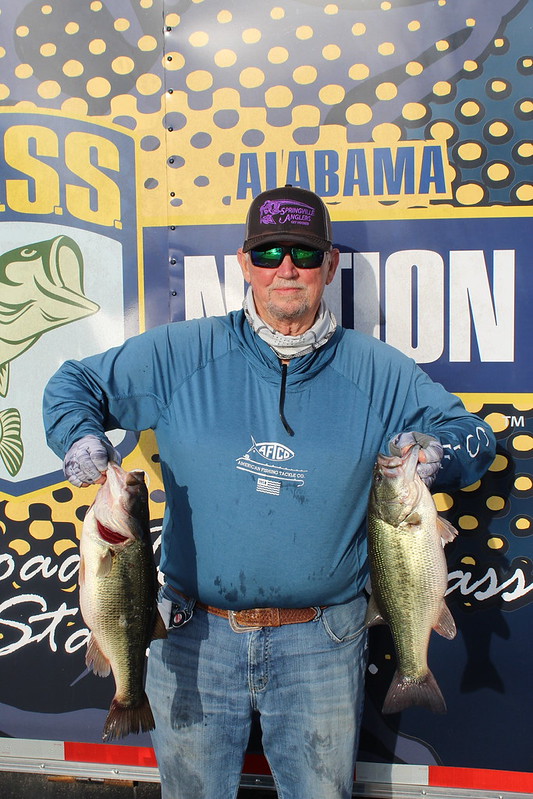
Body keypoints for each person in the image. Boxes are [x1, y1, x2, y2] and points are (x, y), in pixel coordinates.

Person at [43, 185, 496, 799]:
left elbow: (473, 436)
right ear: (244, 262)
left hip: (324, 643)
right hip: (191, 637)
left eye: (305, 254)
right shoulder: (181, 352)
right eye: (269, 252)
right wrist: (78, 436)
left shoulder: (379, 371)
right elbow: (73, 385)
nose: (287, 268)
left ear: (329, 266)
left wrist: (441, 453)